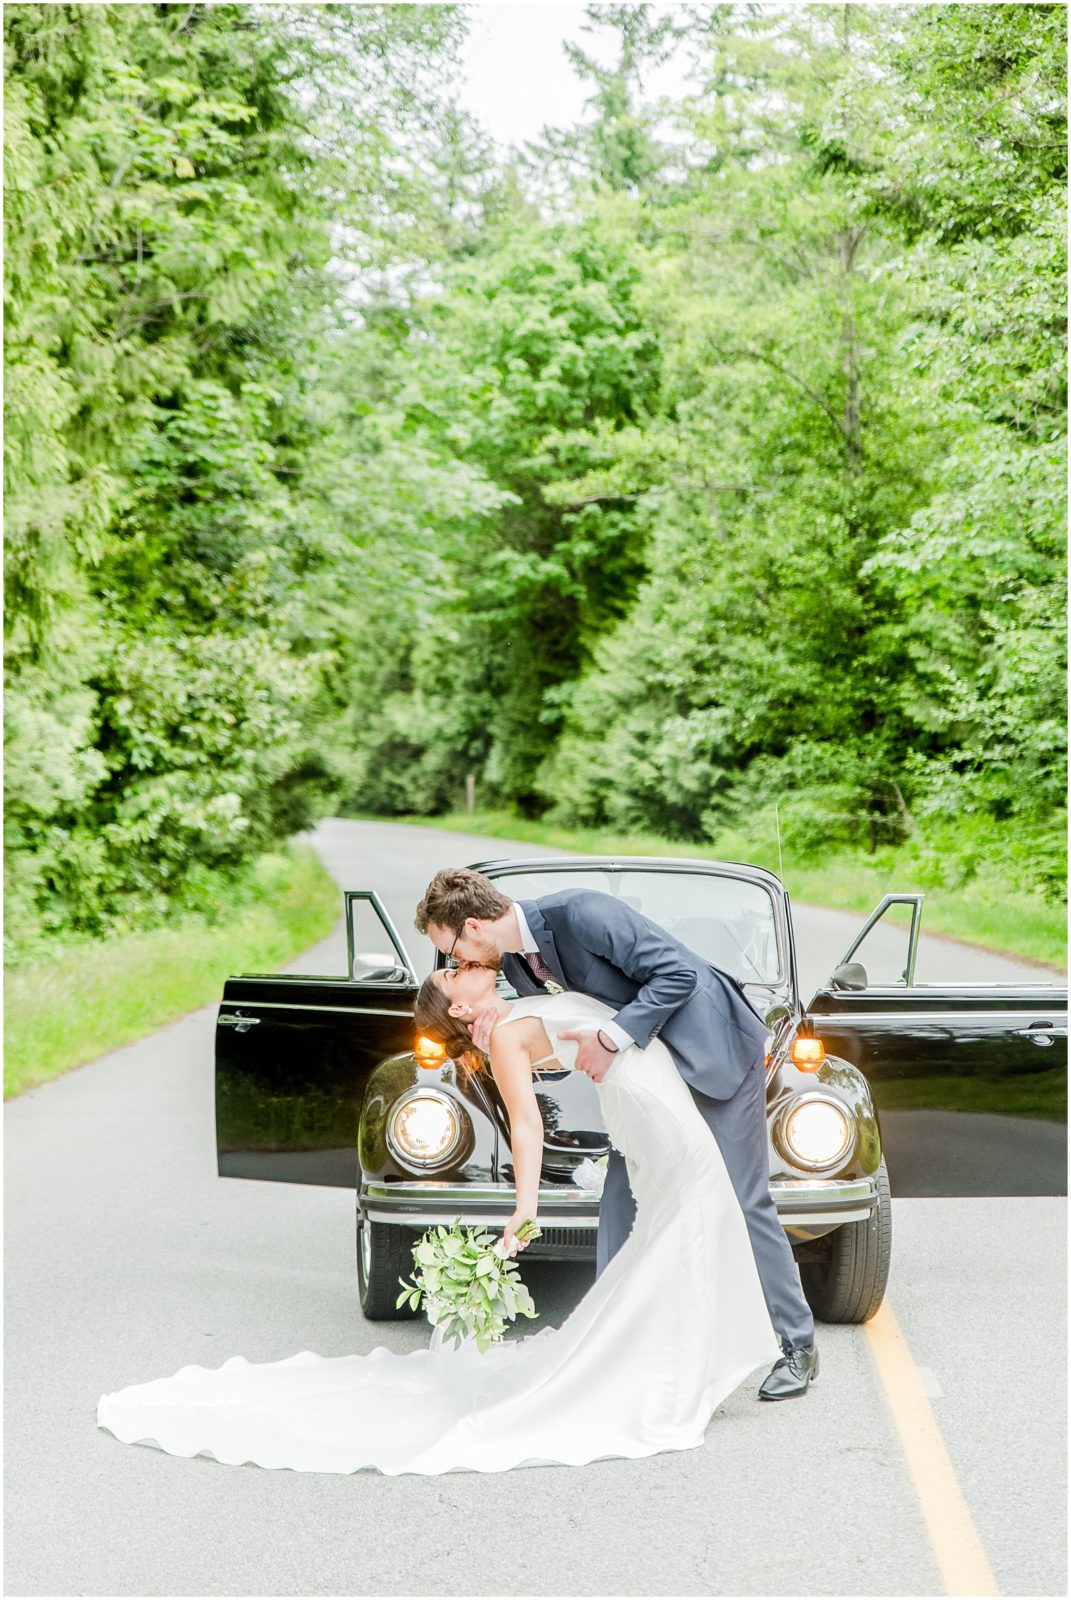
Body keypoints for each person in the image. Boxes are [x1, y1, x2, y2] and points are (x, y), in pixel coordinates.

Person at [96, 964, 782, 1475]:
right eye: (454, 970)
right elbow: (522, 1125)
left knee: (681, 1227)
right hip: (649, 1103)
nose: (465, 965)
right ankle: (677, 1374)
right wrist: (524, 1205)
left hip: (644, 1100)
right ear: (460, 1001)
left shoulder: (512, 1007)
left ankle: (684, 1365)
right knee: (688, 1224)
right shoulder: (509, 1033)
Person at [415, 866, 818, 1400]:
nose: (457, 964)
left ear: (473, 927)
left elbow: (679, 975)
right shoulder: (515, 963)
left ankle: (797, 1344)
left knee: (743, 1200)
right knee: (621, 1203)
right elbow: (566, 1035)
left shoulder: (582, 913)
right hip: (648, 1081)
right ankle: (611, 1346)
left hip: (709, 1050)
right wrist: (508, 1041)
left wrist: (606, 1039)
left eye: (452, 954)